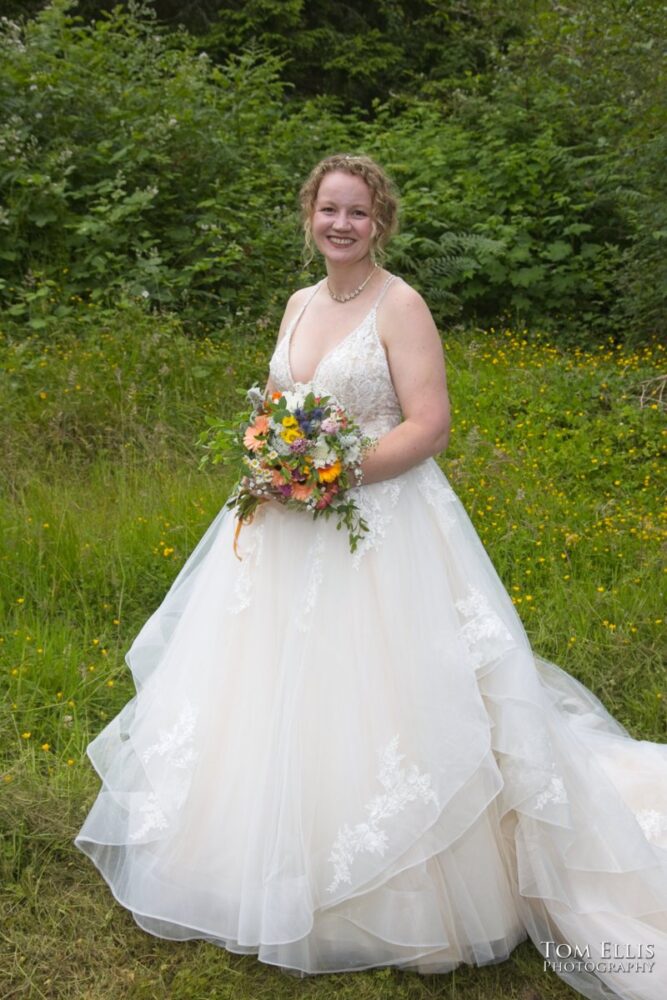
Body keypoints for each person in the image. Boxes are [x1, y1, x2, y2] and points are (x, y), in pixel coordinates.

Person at [75, 153, 667, 998]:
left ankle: (421, 892)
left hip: (381, 527)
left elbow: (428, 425)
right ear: (308, 216)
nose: (341, 224)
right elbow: (277, 406)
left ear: (379, 221)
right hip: (287, 528)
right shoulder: (298, 302)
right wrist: (273, 460)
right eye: (329, 209)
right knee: (265, 695)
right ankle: (256, 868)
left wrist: (334, 475)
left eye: (357, 212)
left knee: (388, 692)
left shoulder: (401, 305)